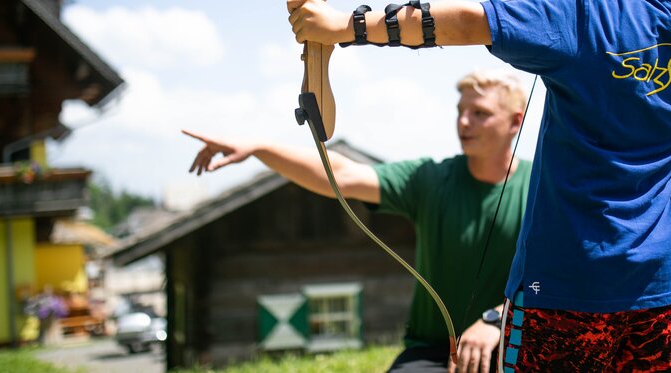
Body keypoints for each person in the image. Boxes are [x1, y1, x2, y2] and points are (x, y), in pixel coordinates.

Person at [287, 0, 671, 372]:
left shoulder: (587, 13)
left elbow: (465, 22)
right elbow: (629, 50)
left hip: (560, 286)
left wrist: (340, 27)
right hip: (655, 285)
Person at [183, 69, 532, 373]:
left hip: (515, 341)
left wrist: (497, 318)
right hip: (433, 352)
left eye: (480, 113)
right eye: (460, 111)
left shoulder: (541, 190)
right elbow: (342, 174)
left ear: (516, 122)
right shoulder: (430, 179)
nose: (463, 122)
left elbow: (555, 277)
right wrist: (260, 148)